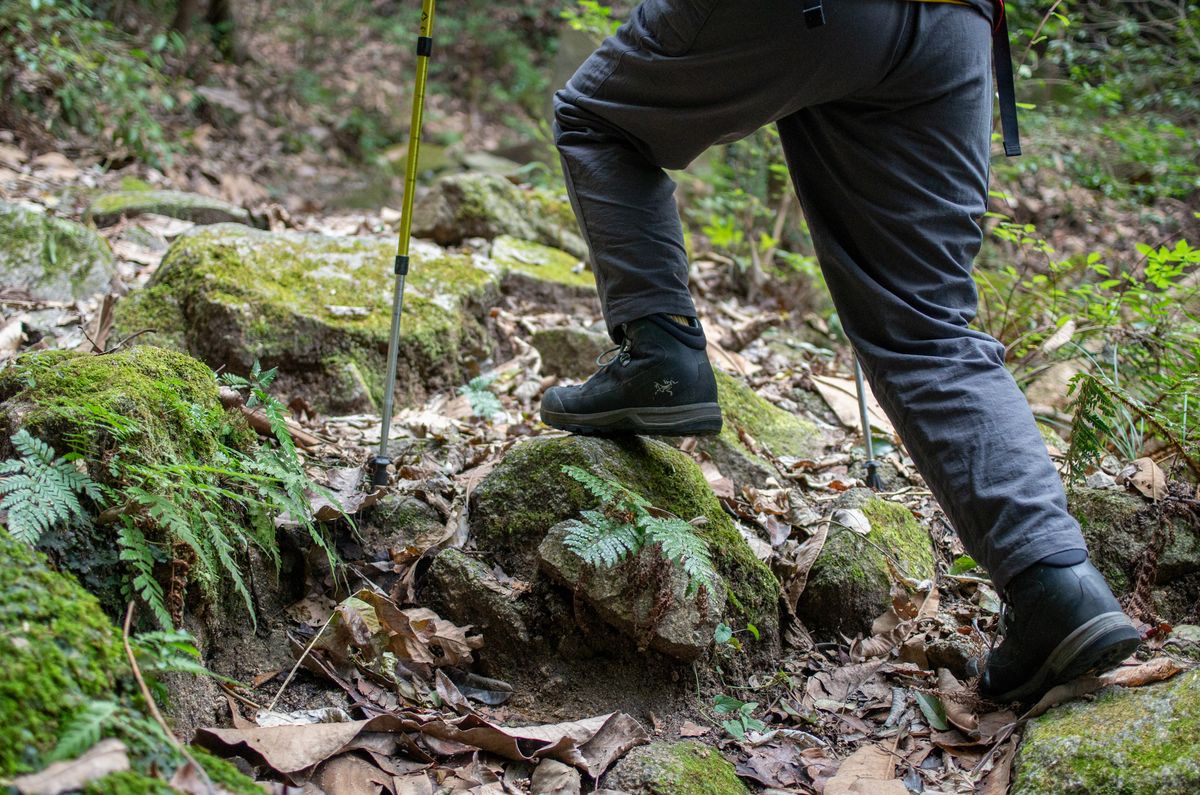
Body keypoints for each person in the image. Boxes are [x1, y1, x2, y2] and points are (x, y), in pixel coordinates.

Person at [538, 0, 1140, 702]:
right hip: (957, 26)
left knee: (598, 118)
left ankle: (661, 356)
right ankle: (1059, 585)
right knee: (929, 324)